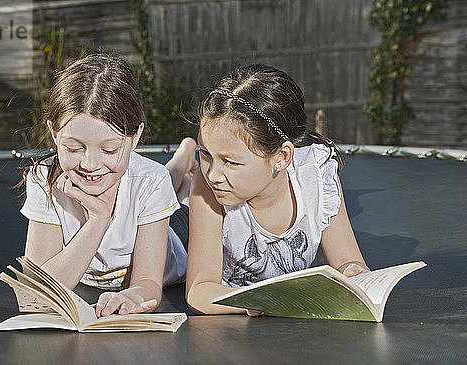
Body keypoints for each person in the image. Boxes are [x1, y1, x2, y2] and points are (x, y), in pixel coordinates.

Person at [19, 53, 197, 318]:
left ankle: (185, 155)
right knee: (153, 179)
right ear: (55, 134)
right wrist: (99, 219)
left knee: (184, 201)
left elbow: (148, 283)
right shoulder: (43, 179)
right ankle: (181, 159)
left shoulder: (150, 181)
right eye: (73, 147)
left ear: (135, 137)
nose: (90, 164)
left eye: (109, 149)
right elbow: (34, 295)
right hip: (145, 184)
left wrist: (134, 295)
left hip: (175, 236)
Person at [185, 64, 370, 315]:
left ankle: (185, 157)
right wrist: (262, 303)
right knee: (176, 197)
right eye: (205, 152)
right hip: (181, 222)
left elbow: (349, 261)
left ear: (281, 157)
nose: (214, 174)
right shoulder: (207, 185)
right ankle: (183, 159)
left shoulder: (316, 175)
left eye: (230, 161)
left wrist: (354, 273)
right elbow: (199, 290)